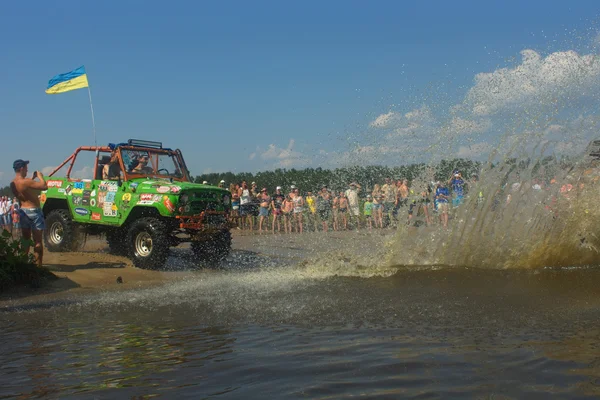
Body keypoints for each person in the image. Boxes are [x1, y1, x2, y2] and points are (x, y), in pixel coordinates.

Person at [10, 159, 48, 267]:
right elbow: (44, 186)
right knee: (37, 241)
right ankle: (38, 267)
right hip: (34, 211)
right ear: (21, 168)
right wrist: (40, 176)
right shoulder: (25, 181)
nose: (27, 169)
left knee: (25, 240)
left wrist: (32, 178)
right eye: (26, 167)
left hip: (23, 211)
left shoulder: (13, 184)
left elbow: (24, 189)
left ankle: (23, 264)